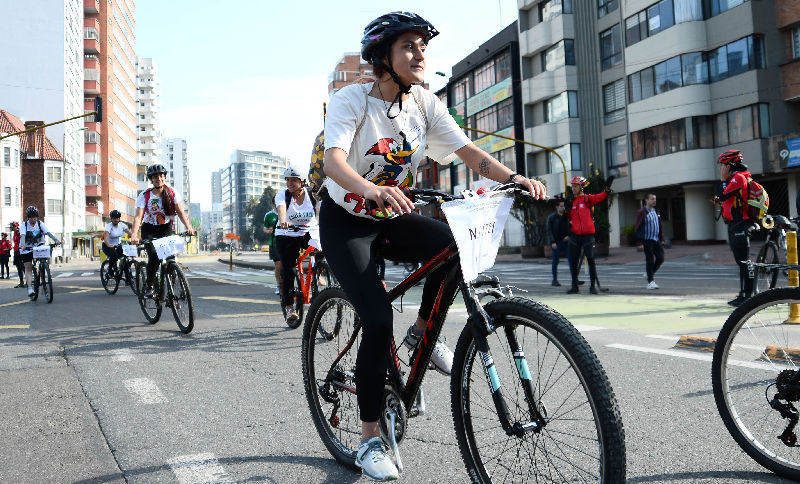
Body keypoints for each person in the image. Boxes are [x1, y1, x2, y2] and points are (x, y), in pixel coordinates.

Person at [320, 12, 546, 481]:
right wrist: (370, 187)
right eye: (409, 46)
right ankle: (368, 440)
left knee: (456, 248)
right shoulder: (352, 100)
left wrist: (515, 178)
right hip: (347, 222)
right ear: (383, 56)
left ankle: (421, 333)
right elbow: (335, 162)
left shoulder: (424, 102)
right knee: (377, 317)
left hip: (393, 214)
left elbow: (470, 153)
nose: (420, 53)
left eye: (423, 46)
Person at [130, 164, 195, 298]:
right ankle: (150, 286)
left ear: (164, 177)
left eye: (161, 176)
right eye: (155, 177)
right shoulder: (144, 195)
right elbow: (138, 217)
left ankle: (172, 286)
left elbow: (181, 212)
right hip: (149, 229)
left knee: (172, 258)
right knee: (153, 256)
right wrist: (134, 235)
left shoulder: (172, 192)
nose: (159, 179)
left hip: (165, 228)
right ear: (151, 179)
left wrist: (188, 227)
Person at [275, 166, 320, 322]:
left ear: (302, 181)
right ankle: (289, 309)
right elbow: (281, 209)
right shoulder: (283, 195)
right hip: (286, 234)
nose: (290, 183)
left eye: (293, 180)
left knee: (323, 249)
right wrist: (283, 222)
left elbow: (321, 212)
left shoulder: (312, 194)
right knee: (289, 271)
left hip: (308, 231)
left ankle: (319, 273)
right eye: (287, 180)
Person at [710, 149, 755, 306]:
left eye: (722, 165)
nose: (721, 169)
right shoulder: (733, 180)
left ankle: (749, 296)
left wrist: (722, 180)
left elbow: (723, 194)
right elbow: (726, 198)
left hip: (741, 223)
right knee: (740, 261)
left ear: (729, 166)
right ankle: (743, 295)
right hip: (734, 224)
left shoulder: (738, 177)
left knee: (744, 261)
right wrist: (720, 202)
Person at [566, 175, 614, 295]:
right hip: (575, 235)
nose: (573, 188)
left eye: (576, 186)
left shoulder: (588, 199)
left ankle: (592, 287)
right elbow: (565, 217)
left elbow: (601, 196)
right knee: (573, 261)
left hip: (588, 236)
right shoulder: (571, 201)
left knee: (591, 260)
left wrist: (607, 188)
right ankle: (574, 286)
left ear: (582, 187)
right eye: (572, 186)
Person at [19, 206, 60, 297]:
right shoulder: (24, 225)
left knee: (44, 256)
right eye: (31, 217)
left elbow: (47, 233)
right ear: (28, 217)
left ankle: (43, 269)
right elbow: (22, 236)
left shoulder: (40, 223)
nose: (33, 219)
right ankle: (30, 288)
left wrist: (56, 240)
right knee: (28, 267)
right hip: (27, 248)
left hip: (39, 246)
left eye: (35, 217)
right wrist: (23, 245)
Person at [635, 193, 665, 290]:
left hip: (657, 239)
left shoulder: (656, 211)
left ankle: (649, 274)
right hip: (647, 240)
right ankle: (650, 282)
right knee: (650, 260)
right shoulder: (642, 212)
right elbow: (638, 227)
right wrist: (639, 243)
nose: (654, 201)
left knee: (661, 258)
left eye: (655, 199)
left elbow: (659, 225)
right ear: (646, 200)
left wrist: (662, 238)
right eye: (652, 199)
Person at [546, 197, 571, 286]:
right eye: (561, 206)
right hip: (556, 242)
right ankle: (555, 280)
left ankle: (575, 279)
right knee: (555, 261)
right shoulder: (552, 218)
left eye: (564, 206)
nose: (563, 208)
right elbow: (549, 230)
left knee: (571, 259)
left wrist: (569, 236)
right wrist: (552, 242)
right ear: (557, 207)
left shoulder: (567, 217)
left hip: (566, 242)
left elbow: (571, 227)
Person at [102, 210, 132, 280]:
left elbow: (130, 234)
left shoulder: (122, 225)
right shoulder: (109, 226)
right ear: (111, 218)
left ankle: (128, 279)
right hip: (107, 246)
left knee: (124, 257)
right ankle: (110, 269)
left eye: (117, 218)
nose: (116, 219)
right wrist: (109, 245)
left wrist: (135, 239)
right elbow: (106, 238)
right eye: (114, 218)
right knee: (114, 256)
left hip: (117, 245)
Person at [262, 208, 282, 296]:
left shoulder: (289, 211)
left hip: (287, 242)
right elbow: (264, 229)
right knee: (278, 264)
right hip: (274, 243)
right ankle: (278, 285)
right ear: (274, 203)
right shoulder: (269, 215)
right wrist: (269, 231)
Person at [10, 222, 24, 287]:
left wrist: (21, 250)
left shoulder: (19, 233)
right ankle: (21, 282)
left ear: (15, 227)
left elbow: (21, 242)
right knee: (18, 267)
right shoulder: (15, 233)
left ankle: (28, 281)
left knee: (23, 267)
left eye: (11, 226)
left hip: (20, 250)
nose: (10, 228)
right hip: (16, 250)